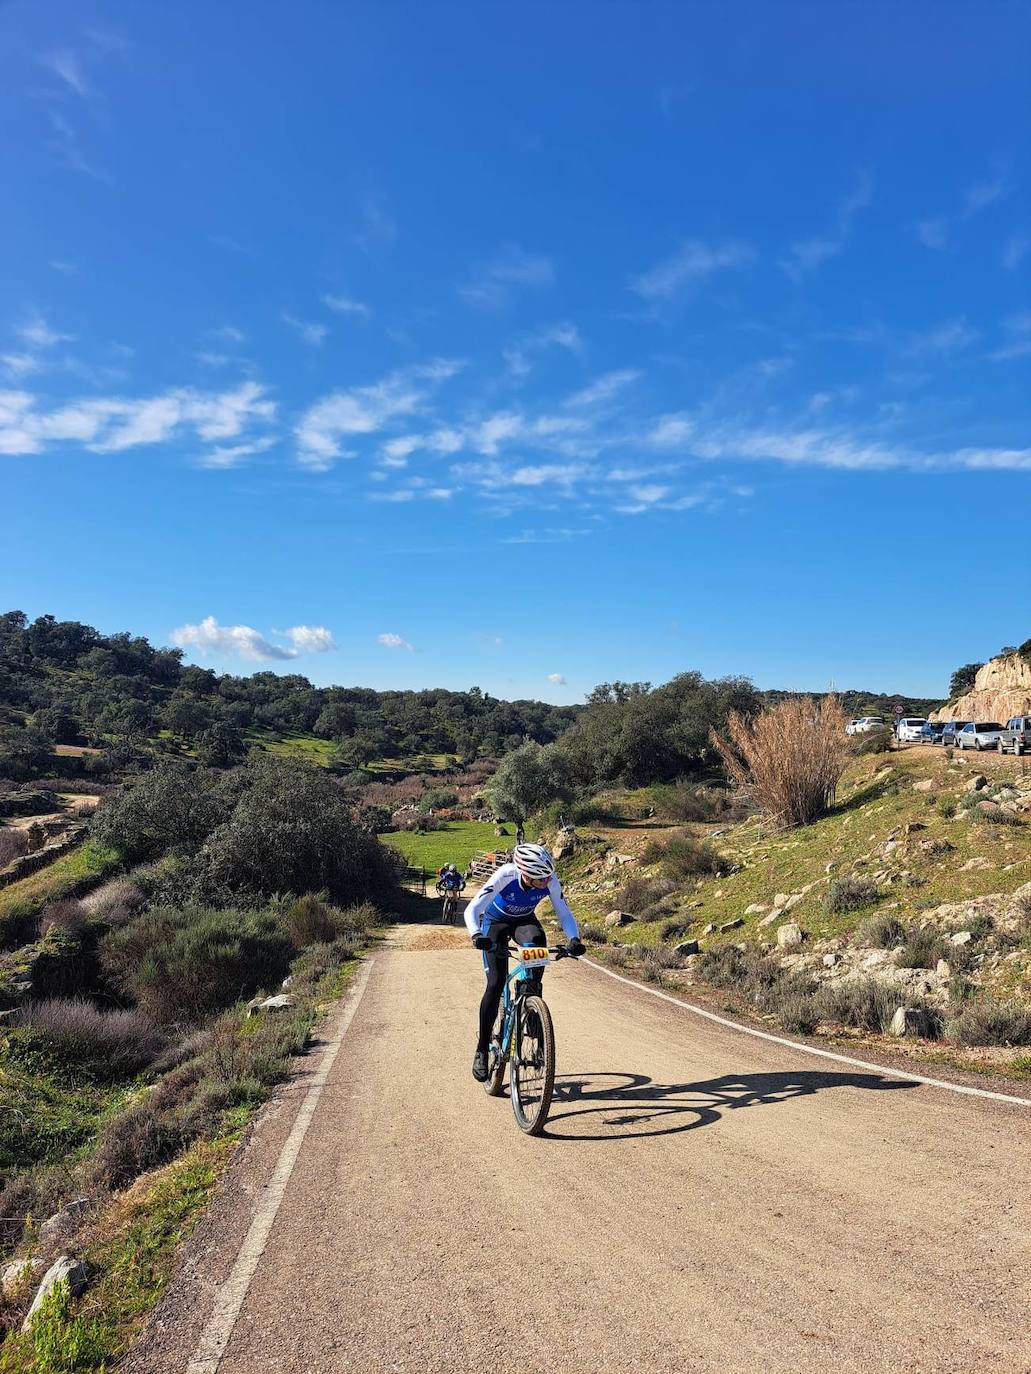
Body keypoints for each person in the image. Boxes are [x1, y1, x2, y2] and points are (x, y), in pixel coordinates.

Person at [464, 842, 584, 1082]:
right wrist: (477, 935)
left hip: (524, 922)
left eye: (548, 876)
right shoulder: (506, 875)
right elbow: (472, 909)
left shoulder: (550, 880)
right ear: (526, 874)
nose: (547, 881)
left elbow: (564, 912)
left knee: (535, 964)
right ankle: (482, 1049)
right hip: (495, 923)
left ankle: (533, 1016)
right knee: (496, 983)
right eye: (541, 878)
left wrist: (574, 939)